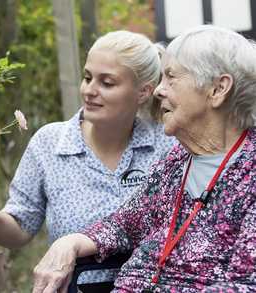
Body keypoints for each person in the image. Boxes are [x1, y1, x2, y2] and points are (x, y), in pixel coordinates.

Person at [0, 30, 175, 290]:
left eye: (107, 83)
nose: (90, 91)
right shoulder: (49, 143)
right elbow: (18, 232)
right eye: (87, 77)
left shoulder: (168, 145)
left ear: (143, 92)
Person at [32, 25, 256, 292]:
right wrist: (69, 242)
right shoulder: (176, 161)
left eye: (171, 78)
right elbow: (126, 223)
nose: (159, 91)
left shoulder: (250, 173)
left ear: (218, 89)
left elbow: (244, 285)